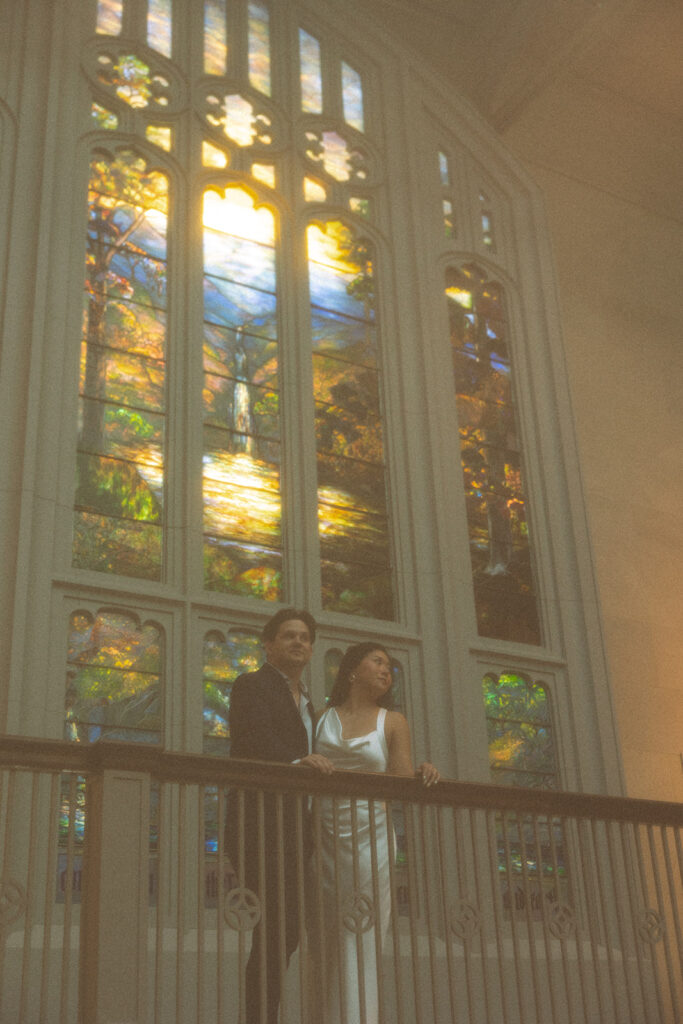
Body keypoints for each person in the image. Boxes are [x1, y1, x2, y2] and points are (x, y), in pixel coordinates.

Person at [313, 642, 439, 1024]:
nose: (386, 671)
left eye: (390, 667)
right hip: (325, 833)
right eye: (378, 662)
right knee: (328, 933)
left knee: (361, 929)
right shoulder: (320, 718)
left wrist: (422, 770)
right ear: (352, 669)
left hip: (372, 834)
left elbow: (399, 780)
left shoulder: (393, 721)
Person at [226, 608, 333, 1024]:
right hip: (259, 821)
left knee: (283, 933)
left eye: (305, 637)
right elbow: (251, 738)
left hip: (296, 828)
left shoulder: (310, 703)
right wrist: (296, 762)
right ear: (268, 644)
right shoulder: (250, 685)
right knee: (274, 930)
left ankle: (262, 1015)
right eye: (288, 635)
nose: (298, 642)